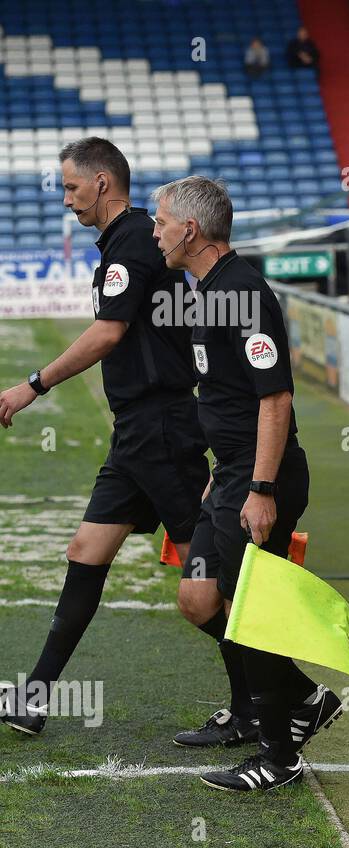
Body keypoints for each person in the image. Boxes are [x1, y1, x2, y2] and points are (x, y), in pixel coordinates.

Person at [0, 138, 209, 737]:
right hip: (138, 432)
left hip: (161, 428)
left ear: (101, 184)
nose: (65, 199)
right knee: (85, 552)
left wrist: (31, 386)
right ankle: (34, 698)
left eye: (70, 187)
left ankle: (283, 695)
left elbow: (108, 333)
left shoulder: (134, 244)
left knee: (209, 580)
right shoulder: (131, 239)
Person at [152, 175, 342, 789]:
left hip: (263, 481)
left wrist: (260, 489)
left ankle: (278, 757)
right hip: (231, 476)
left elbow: (275, 400)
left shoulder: (244, 291)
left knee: (249, 613)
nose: (155, 231)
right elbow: (229, 398)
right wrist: (223, 475)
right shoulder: (205, 292)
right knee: (199, 598)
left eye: (161, 221)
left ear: (191, 229)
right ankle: (300, 699)